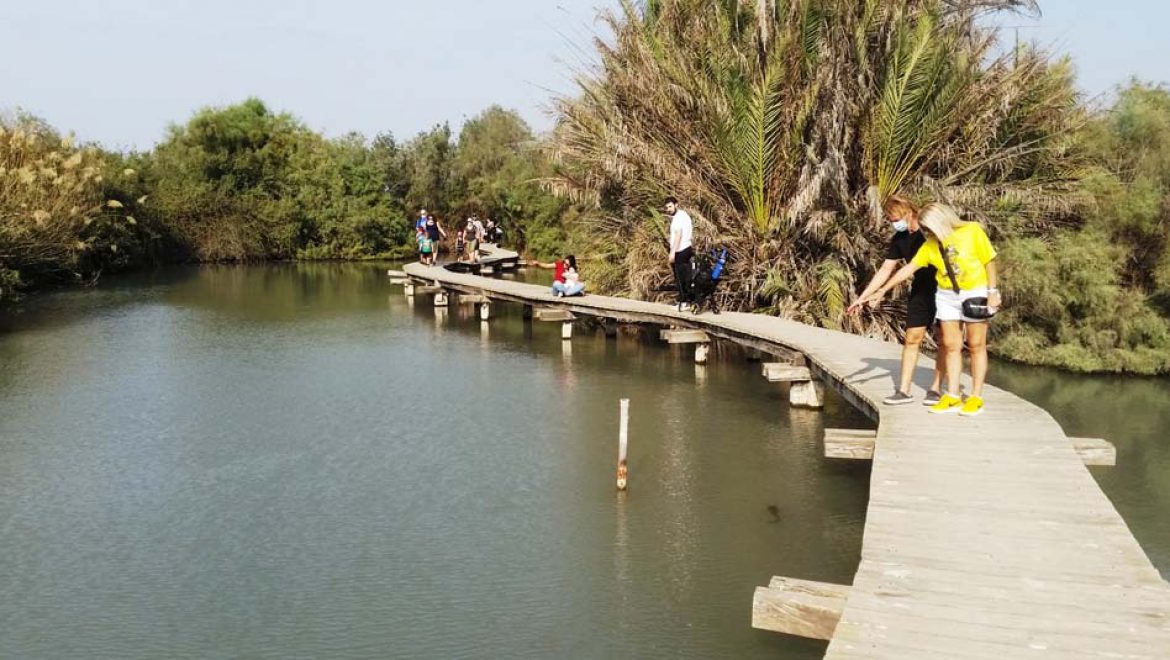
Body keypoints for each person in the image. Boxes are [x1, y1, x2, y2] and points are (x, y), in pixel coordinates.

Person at [859, 203, 1002, 417]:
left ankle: (975, 397)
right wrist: (882, 291)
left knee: (975, 344)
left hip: (974, 291)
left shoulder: (972, 231)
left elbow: (989, 261)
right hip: (946, 295)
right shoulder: (931, 245)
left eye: (928, 227)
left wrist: (992, 291)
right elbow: (907, 269)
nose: (926, 233)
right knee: (951, 345)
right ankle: (953, 395)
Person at [847, 195, 945, 406]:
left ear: (907, 213)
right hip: (921, 289)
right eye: (890, 220)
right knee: (912, 337)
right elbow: (886, 269)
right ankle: (904, 390)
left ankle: (936, 388)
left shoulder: (928, 230)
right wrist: (862, 298)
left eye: (894, 219)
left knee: (944, 338)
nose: (893, 224)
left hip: (944, 287)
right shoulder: (899, 239)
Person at [665, 196, 694, 311]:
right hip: (687, 248)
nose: (668, 209)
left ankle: (684, 302)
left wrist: (672, 253)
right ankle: (687, 301)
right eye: (667, 207)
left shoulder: (678, 218)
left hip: (680, 251)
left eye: (670, 206)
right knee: (686, 276)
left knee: (680, 278)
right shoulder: (684, 215)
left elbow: (678, 235)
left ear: (676, 204)